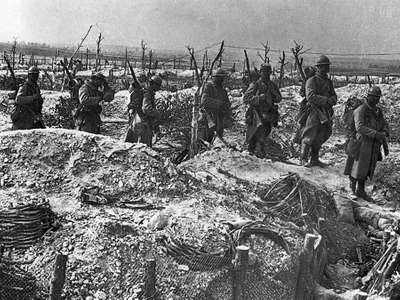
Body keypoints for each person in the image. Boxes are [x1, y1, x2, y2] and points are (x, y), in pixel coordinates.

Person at [344, 86, 389, 201]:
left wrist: (384, 131)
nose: (376, 100)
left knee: (368, 167)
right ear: (368, 97)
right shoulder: (361, 109)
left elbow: (384, 123)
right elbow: (359, 127)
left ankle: (361, 190)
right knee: (357, 167)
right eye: (373, 97)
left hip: (373, 144)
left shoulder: (378, 111)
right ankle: (351, 189)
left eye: (377, 98)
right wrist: (375, 134)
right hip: (361, 143)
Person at [300, 55, 337, 166]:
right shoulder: (312, 80)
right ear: (319, 67)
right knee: (309, 134)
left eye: (327, 66)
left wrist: (332, 100)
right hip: (314, 111)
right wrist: (326, 100)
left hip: (325, 112)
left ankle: (314, 159)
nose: (327, 68)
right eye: (325, 66)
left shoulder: (328, 82)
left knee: (322, 134)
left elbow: (334, 96)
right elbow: (310, 96)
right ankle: (303, 159)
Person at [243, 63, 281, 157]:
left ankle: (260, 153)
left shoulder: (272, 85)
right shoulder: (255, 84)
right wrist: (259, 98)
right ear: (260, 73)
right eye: (264, 72)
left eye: (268, 72)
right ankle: (251, 152)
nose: (266, 74)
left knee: (265, 132)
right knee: (255, 134)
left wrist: (274, 95)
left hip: (269, 113)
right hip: (257, 113)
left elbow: (279, 98)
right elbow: (246, 98)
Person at [125, 75, 162, 147]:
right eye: (158, 86)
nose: (158, 88)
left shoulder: (143, 90)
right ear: (153, 84)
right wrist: (157, 113)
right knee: (145, 148)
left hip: (135, 119)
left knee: (129, 146)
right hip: (143, 123)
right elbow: (146, 109)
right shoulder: (147, 93)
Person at [198, 68, 231, 144]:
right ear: (215, 78)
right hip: (209, 117)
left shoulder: (223, 90)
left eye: (222, 78)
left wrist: (226, 106)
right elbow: (204, 101)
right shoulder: (208, 87)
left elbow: (227, 103)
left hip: (219, 118)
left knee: (218, 139)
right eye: (220, 78)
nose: (222, 80)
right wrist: (219, 104)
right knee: (207, 139)